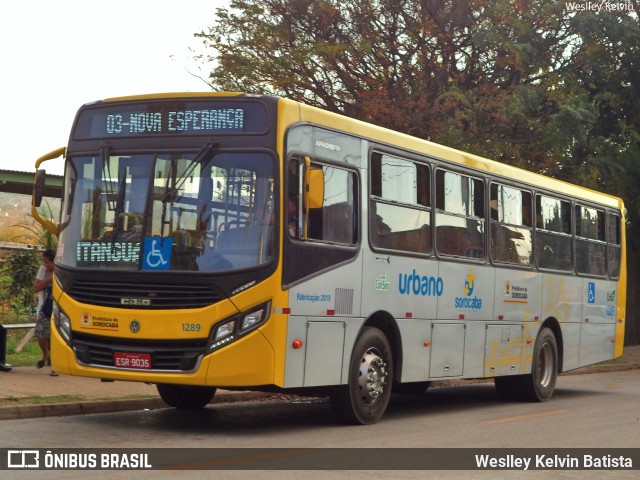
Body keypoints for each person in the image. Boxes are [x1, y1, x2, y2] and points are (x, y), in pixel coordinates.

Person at [33, 249, 58, 376]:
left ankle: (55, 365)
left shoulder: (63, 271)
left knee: (56, 337)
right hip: (45, 307)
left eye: (47, 262)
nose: (45, 265)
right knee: (41, 334)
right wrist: (49, 279)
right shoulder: (43, 270)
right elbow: (36, 288)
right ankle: (45, 354)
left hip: (59, 308)